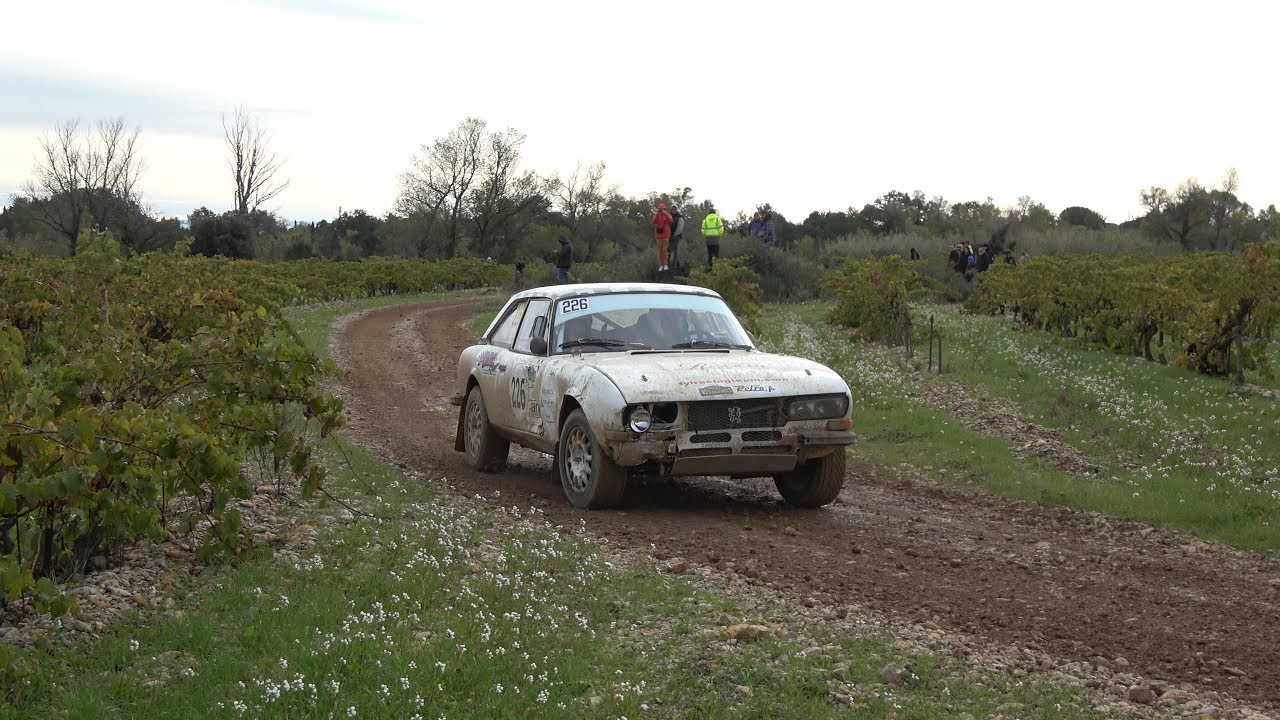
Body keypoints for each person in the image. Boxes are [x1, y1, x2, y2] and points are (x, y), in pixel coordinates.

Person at [701, 205, 725, 270]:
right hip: (716, 239)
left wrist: (706, 235)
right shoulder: (717, 219)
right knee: (716, 254)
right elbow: (721, 229)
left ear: (709, 213)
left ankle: (710, 267)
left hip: (708, 239)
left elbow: (703, 230)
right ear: (714, 213)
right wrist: (719, 235)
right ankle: (717, 268)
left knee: (710, 254)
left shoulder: (705, 220)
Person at [652, 202, 673, 271]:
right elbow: (654, 221)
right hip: (658, 236)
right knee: (660, 251)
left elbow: (671, 221)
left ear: (665, 209)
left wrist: (665, 214)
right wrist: (656, 213)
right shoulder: (657, 215)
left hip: (666, 235)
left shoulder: (668, 214)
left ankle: (665, 264)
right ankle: (661, 265)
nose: (662, 210)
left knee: (665, 250)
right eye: (660, 209)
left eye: (663, 209)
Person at [668, 205, 685, 270]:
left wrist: (675, 234)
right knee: (670, 250)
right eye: (672, 209)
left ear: (677, 210)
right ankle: (677, 264)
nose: (673, 210)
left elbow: (680, 228)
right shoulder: (669, 216)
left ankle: (673, 265)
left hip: (676, 236)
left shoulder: (679, 217)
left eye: (675, 209)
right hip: (669, 236)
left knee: (674, 250)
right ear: (671, 210)